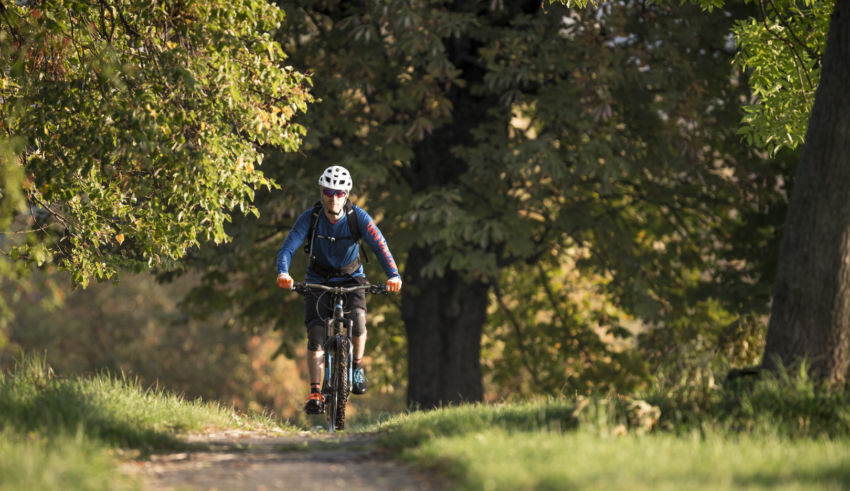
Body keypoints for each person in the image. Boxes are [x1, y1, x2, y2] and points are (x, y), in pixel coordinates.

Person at [275, 165, 402, 414]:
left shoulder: (359, 218)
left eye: (339, 193)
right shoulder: (310, 218)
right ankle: (315, 391)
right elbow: (287, 247)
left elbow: (380, 246)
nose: (334, 198)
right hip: (317, 279)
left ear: (347, 194)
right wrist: (283, 272)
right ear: (322, 192)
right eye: (329, 192)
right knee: (316, 334)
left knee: (359, 317)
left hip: (352, 277)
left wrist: (394, 275)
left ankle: (356, 367)